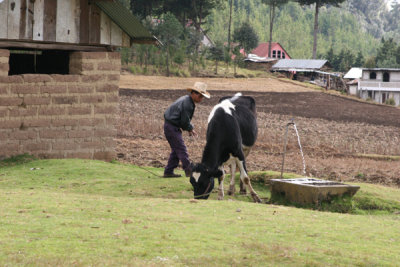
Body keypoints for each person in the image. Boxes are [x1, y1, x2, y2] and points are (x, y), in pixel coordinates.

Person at [163, 82, 210, 178]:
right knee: (181, 149)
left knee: (176, 150)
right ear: (193, 93)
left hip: (171, 126)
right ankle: (189, 171)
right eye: (200, 96)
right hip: (172, 127)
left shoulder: (187, 100)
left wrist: (189, 129)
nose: (201, 99)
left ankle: (168, 171)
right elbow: (184, 121)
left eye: (202, 97)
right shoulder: (188, 103)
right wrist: (190, 128)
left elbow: (184, 120)